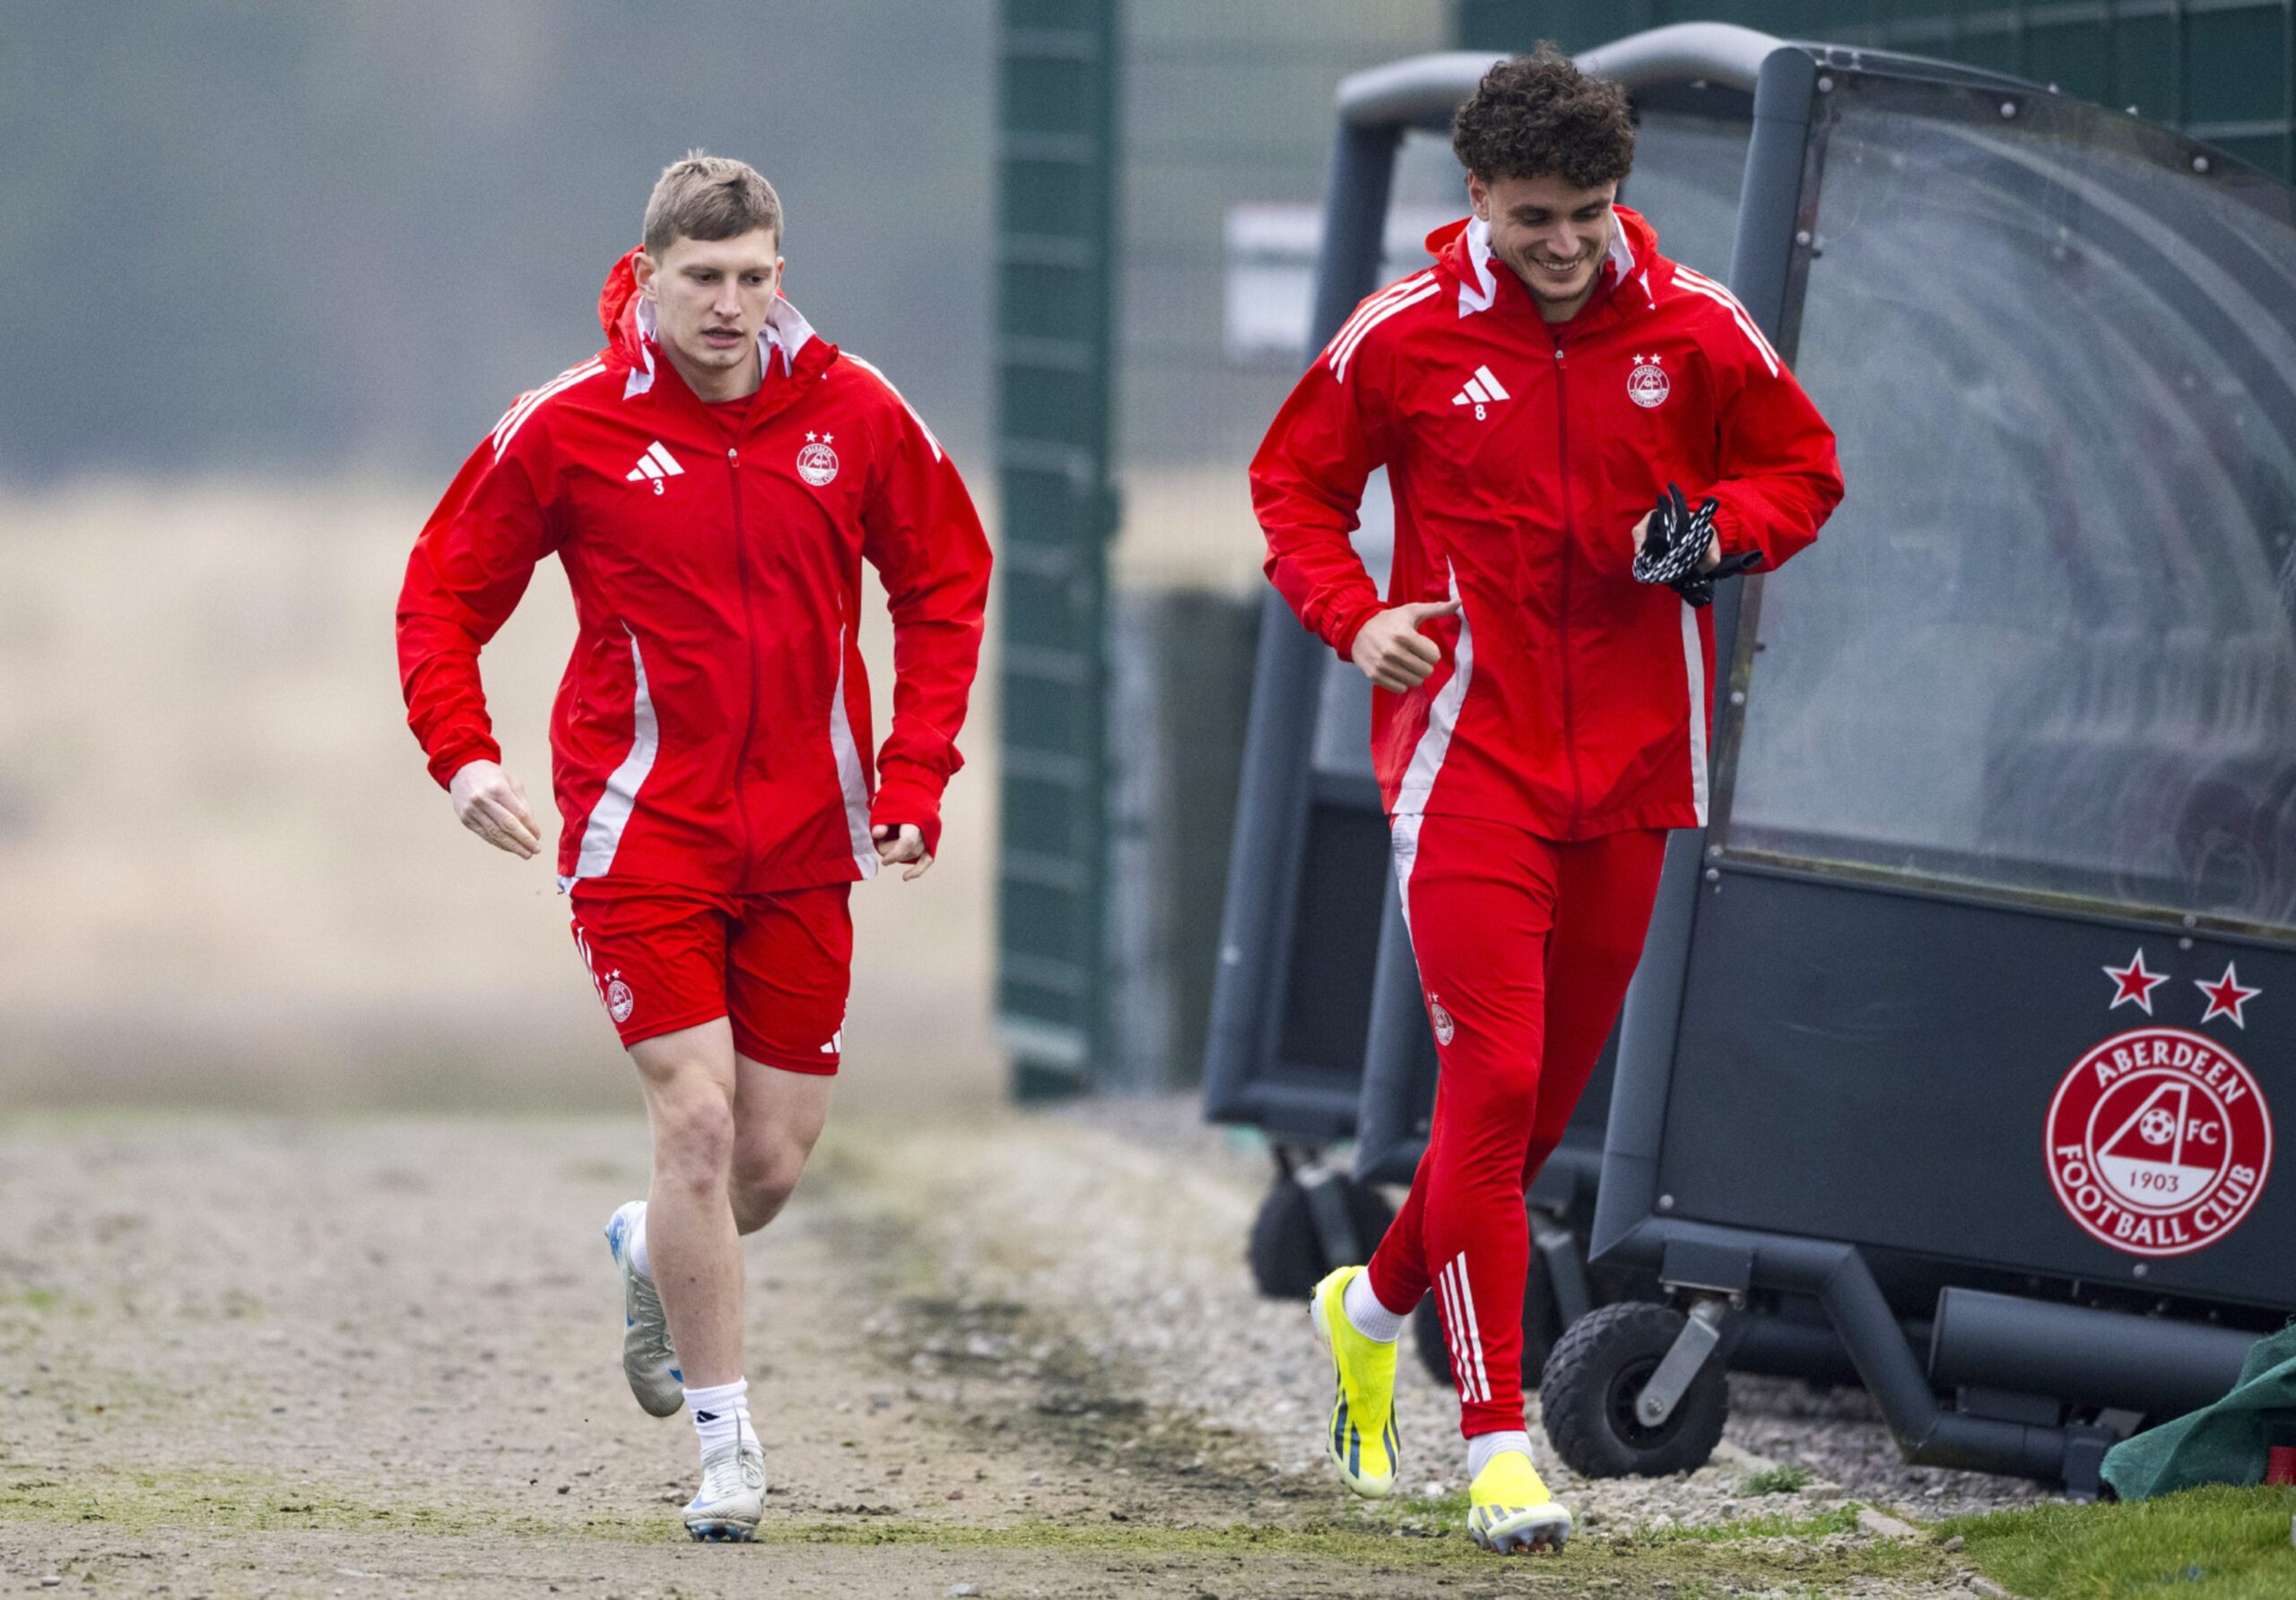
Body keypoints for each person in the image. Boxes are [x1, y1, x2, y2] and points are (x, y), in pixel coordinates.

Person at [1251, 50, 1842, 1554]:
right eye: (1534, 219)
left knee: (1520, 1111)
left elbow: (1806, 468)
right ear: (1478, 202)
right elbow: (1292, 492)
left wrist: (1711, 529)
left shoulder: (1699, 326)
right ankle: (1498, 1445)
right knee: (1498, 1087)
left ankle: (1369, 1305)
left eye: (1588, 212)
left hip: (1640, 766)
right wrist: (1354, 618)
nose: (1567, 244)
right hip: (1466, 763)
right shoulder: (1404, 335)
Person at [396, 152, 991, 1542]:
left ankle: (650, 1249)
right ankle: (728, 1453)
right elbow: (441, 595)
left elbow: (947, 584)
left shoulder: (858, 410)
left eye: (752, 277)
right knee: (701, 1120)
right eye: (702, 279)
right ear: (649, 278)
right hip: (636, 830)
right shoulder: (568, 426)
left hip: (808, 831)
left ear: (781, 275)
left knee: (769, 1162)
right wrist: (462, 755)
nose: (729, 305)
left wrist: (915, 767)